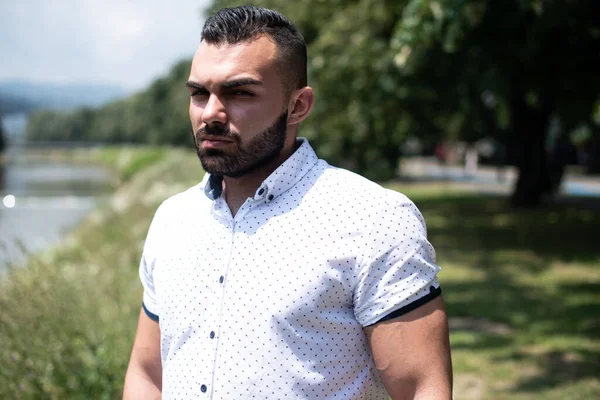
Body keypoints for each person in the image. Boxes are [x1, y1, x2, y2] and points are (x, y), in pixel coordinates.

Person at [124, 6, 452, 399]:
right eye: (199, 93)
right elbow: (147, 375)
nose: (210, 113)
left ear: (298, 106)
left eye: (239, 92)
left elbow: (422, 388)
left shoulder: (374, 220)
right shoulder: (171, 220)